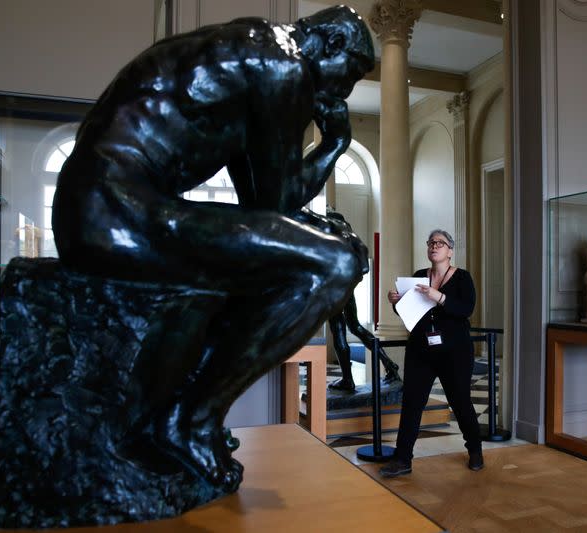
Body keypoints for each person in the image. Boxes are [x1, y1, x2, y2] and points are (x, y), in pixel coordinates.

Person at [51, 6, 375, 487]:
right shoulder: (282, 65)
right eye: (345, 79)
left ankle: (176, 412)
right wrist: (333, 144)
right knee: (337, 263)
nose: (338, 94)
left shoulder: (254, 49)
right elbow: (280, 203)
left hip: (103, 206)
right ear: (328, 44)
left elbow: (263, 208)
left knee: (314, 252)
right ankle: (188, 421)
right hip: (115, 209)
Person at [380, 229, 482, 477]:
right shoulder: (417, 277)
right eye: (431, 243)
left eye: (440, 243)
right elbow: (409, 313)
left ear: (450, 251)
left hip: (455, 352)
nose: (434, 246)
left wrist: (440, 297)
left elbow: (466, 309)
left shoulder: (462, 278)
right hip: (421, 350)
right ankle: (403, 458)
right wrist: (397, 302)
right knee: (412, 403)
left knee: (460, 402)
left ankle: (475, 450)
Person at [326, 210, 400, 391]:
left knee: (339, 331)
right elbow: (364, 268)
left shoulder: (332, 241)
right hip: (347, 288)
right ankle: (389, 365)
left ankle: (347, 379)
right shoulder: (352, 240)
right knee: (356, 327)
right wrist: (349, 280)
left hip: (336, 289)